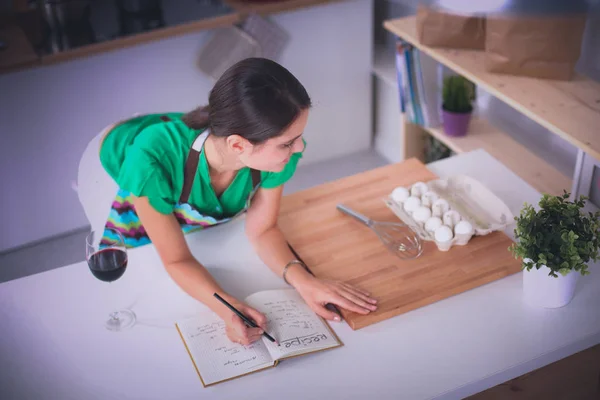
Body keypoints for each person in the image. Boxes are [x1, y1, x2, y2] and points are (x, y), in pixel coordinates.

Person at [81, 57, 377, 345]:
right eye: (287, 142)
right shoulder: (148, 163)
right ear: (238, 145)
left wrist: (305, 282)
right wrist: (228, 310)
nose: (299, 147)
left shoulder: (276, 153)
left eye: (297, 137)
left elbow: (262, 230)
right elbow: (176, 259)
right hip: (111, 166)